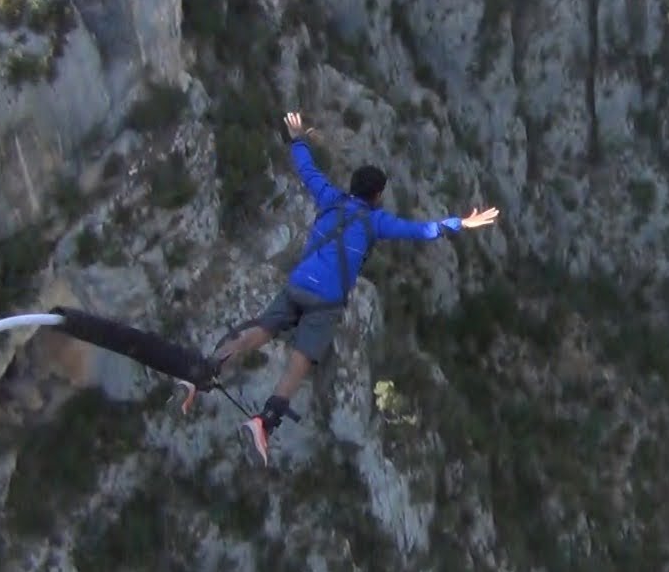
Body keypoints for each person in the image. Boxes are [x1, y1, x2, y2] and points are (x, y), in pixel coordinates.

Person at [209, 111, 500, 465]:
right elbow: (421, 230)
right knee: (302, 359)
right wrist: (462, 223)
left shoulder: (329, 197)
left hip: (299, 282)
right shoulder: (377, 221)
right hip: (326, 300)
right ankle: (264, 423)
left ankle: (208, 367)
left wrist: (298, 138)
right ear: (377, 195)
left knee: (263, 329)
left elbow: (307, 169)